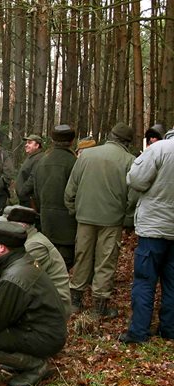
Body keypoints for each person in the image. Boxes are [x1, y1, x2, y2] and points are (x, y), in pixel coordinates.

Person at [0, 222, 67, 386]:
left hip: (44, 336)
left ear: (2, 248)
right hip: (38, 329)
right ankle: (21, 361)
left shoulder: (14, 276)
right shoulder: (18, 261)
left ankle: (34, 366)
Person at [65, 122, 138, 316]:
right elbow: (133, 195)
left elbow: (70, 190)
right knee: (106, 260)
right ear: (127, 142)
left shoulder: (86, 155)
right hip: (112, 219)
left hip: (85, 216)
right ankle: (99, 306)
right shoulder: (130, 161)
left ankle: (75, 300)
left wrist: (75, 211)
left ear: (111, 136)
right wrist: (126, 216)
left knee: (82, 256)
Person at [119, 128, 174, 344]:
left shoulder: (159, 149)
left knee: (144, 280)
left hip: (153, 227)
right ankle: (169, 328)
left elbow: (136, 180)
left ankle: (138, 332)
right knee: (172, 282)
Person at [0, 206, 71, 315]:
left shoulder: (35, 245)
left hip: (52, 306)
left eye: (10, 224)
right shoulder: (29, 241)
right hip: (40, 298)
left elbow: (11, 273)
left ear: (22, 226)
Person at [33, 125, 78, 269]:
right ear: (72, 141)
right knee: (64, 263)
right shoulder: (74, 162)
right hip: (68, 222)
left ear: (52, 140)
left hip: (47, 220)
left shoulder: (43, 161)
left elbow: (36, 191)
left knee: (49, 262)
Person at [15, 134, 43, 209]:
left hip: (31, 200)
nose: (26, 145)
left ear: (37, 145)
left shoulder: (38, 158)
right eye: (26, 143)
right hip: (26, 199)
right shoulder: (32, 157)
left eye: (29, 143)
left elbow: (33, 178)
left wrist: (22, 191)